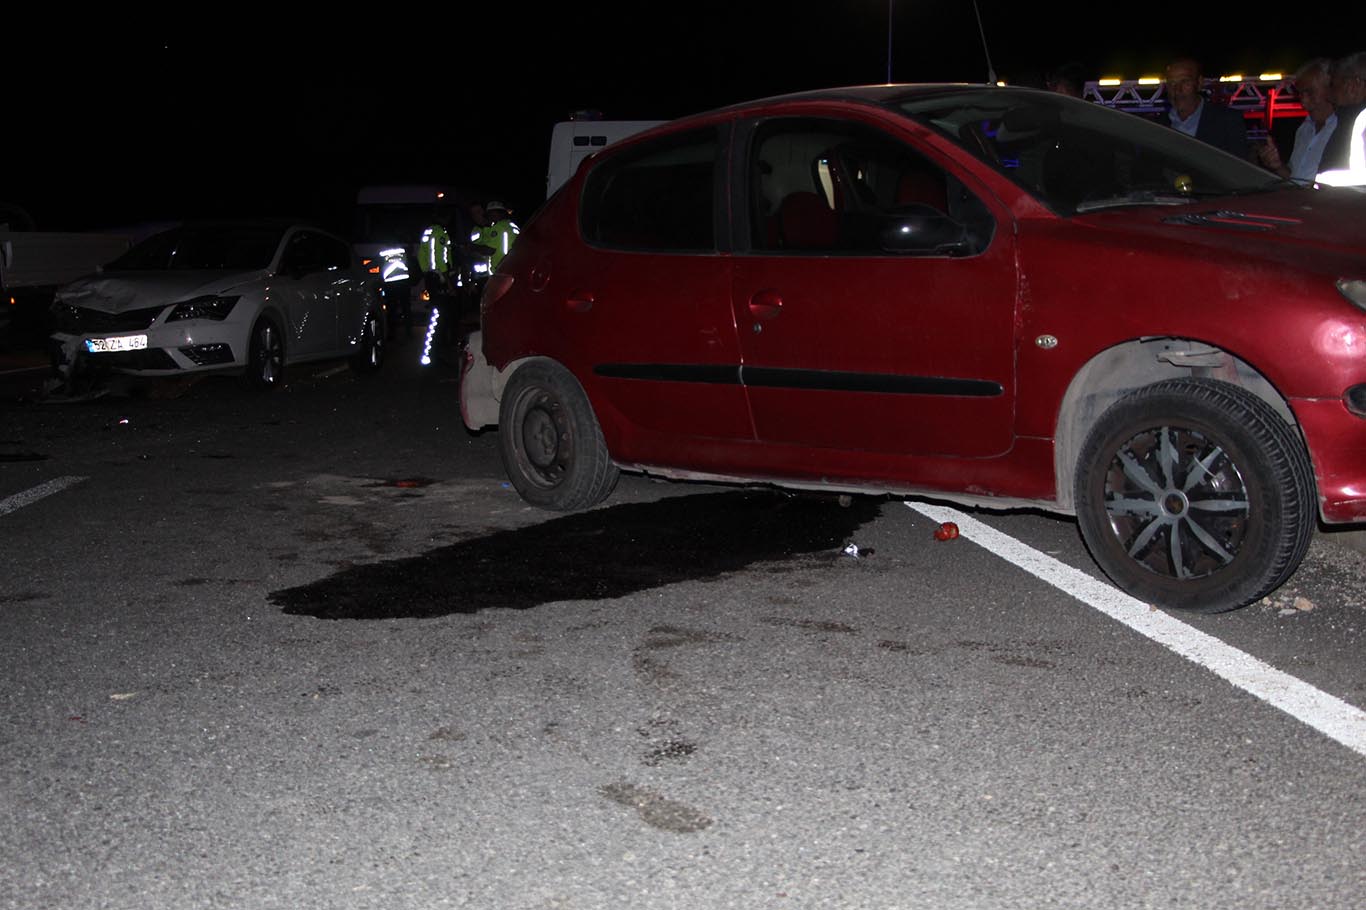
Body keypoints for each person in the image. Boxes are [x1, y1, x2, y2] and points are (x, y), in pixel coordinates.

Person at [1257, 58, 1337, 184]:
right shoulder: (1304, 129)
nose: (1303, 101)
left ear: (1331, 89)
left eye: (1310, 92)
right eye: (1300, 94)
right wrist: (1277, 166)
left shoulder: (1344, 129)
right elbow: (1296, 179)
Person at [1163, 56, 1252, 160]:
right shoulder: (1158, 125)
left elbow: (1239, 168)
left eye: (1185, 82)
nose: (1177, 90)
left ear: (1199, 83)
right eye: (1172, 83)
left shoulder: (1228, 121)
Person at [1317, 51, 1366, 176]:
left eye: (1332, 85)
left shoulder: (1353, 120)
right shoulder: (1348, 118)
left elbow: (1330, 170)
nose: (1328, 95)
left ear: (1354, 85)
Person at [470, 200, 520, 273]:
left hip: (502, 270)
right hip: (512, 267)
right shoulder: (511, 225)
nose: (490, 217)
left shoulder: (498, 227)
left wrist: (472, 247)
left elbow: (489, 250)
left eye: (492, 214)